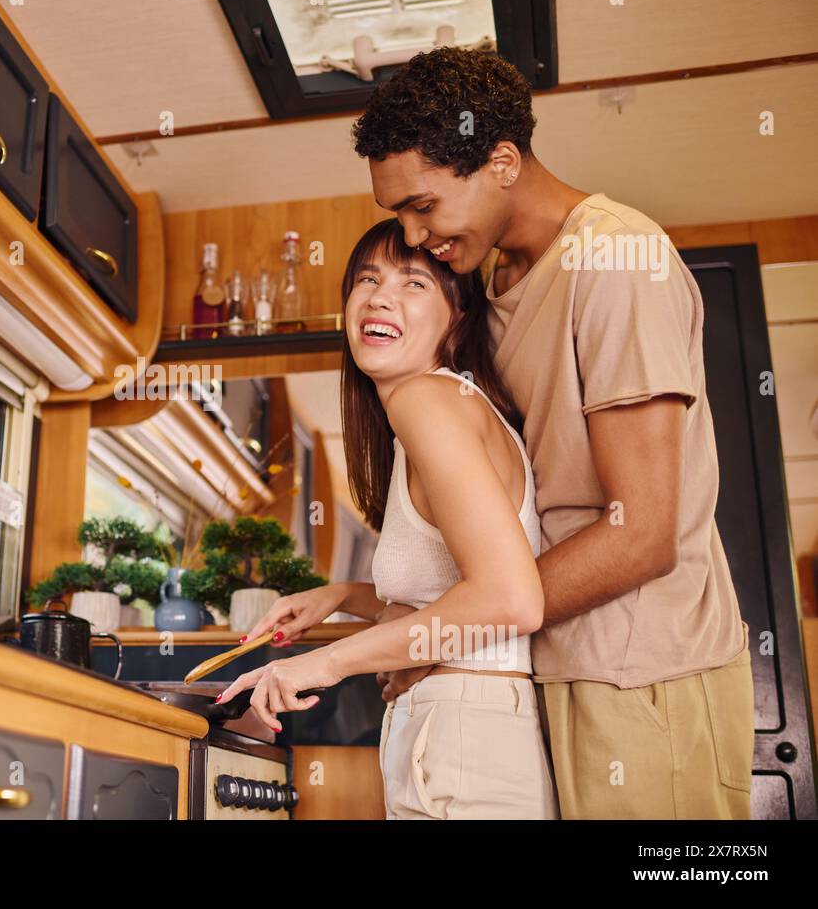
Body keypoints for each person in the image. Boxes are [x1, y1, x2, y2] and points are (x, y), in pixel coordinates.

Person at [241, 46, 753, 820]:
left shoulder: (616, 261)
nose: (412, 241)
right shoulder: (498, 285)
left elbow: (642, 532)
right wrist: (365, 602)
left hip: (649, 668)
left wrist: (436, 640)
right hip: (557, 665)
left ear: (503, 161)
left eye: (423, 207)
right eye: (397, 219)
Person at [217, 217, 558, 819]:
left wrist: (325, 661)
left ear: (457, 318)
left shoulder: (430, 402)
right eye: (368, 279)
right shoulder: (435, 408)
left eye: (414, 283)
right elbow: (453, 592)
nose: (380, 296)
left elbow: (510, 599)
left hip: (463, 735)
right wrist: (347, 595)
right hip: (465, 731)